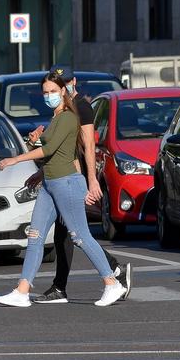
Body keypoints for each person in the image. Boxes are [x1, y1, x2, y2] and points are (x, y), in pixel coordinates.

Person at [0, 71, 126, 307]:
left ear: (63, 91)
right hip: (50, 183)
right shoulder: (55, 118)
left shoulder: (67, 116)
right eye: (45, 92)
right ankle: (22, 291)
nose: (49, 96)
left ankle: (112, 283)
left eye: (53, 91)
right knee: (34, 236)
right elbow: (53, 152)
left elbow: (51, 149)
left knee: (80, 236)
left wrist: (16, 159)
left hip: (67, 182)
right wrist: (37, 161)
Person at [29, 66, 132, 304]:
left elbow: (87, 145)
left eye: (64, 83)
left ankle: (112, 272)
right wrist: (42, 173)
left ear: (72, 83)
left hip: (73, 179)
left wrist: (91, 181)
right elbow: (62, 149)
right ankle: (64, 286)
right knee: (67, 233)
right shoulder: (63, 109)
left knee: (76, 233)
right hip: (63, 176)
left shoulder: (81, 108)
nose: (61, 88)